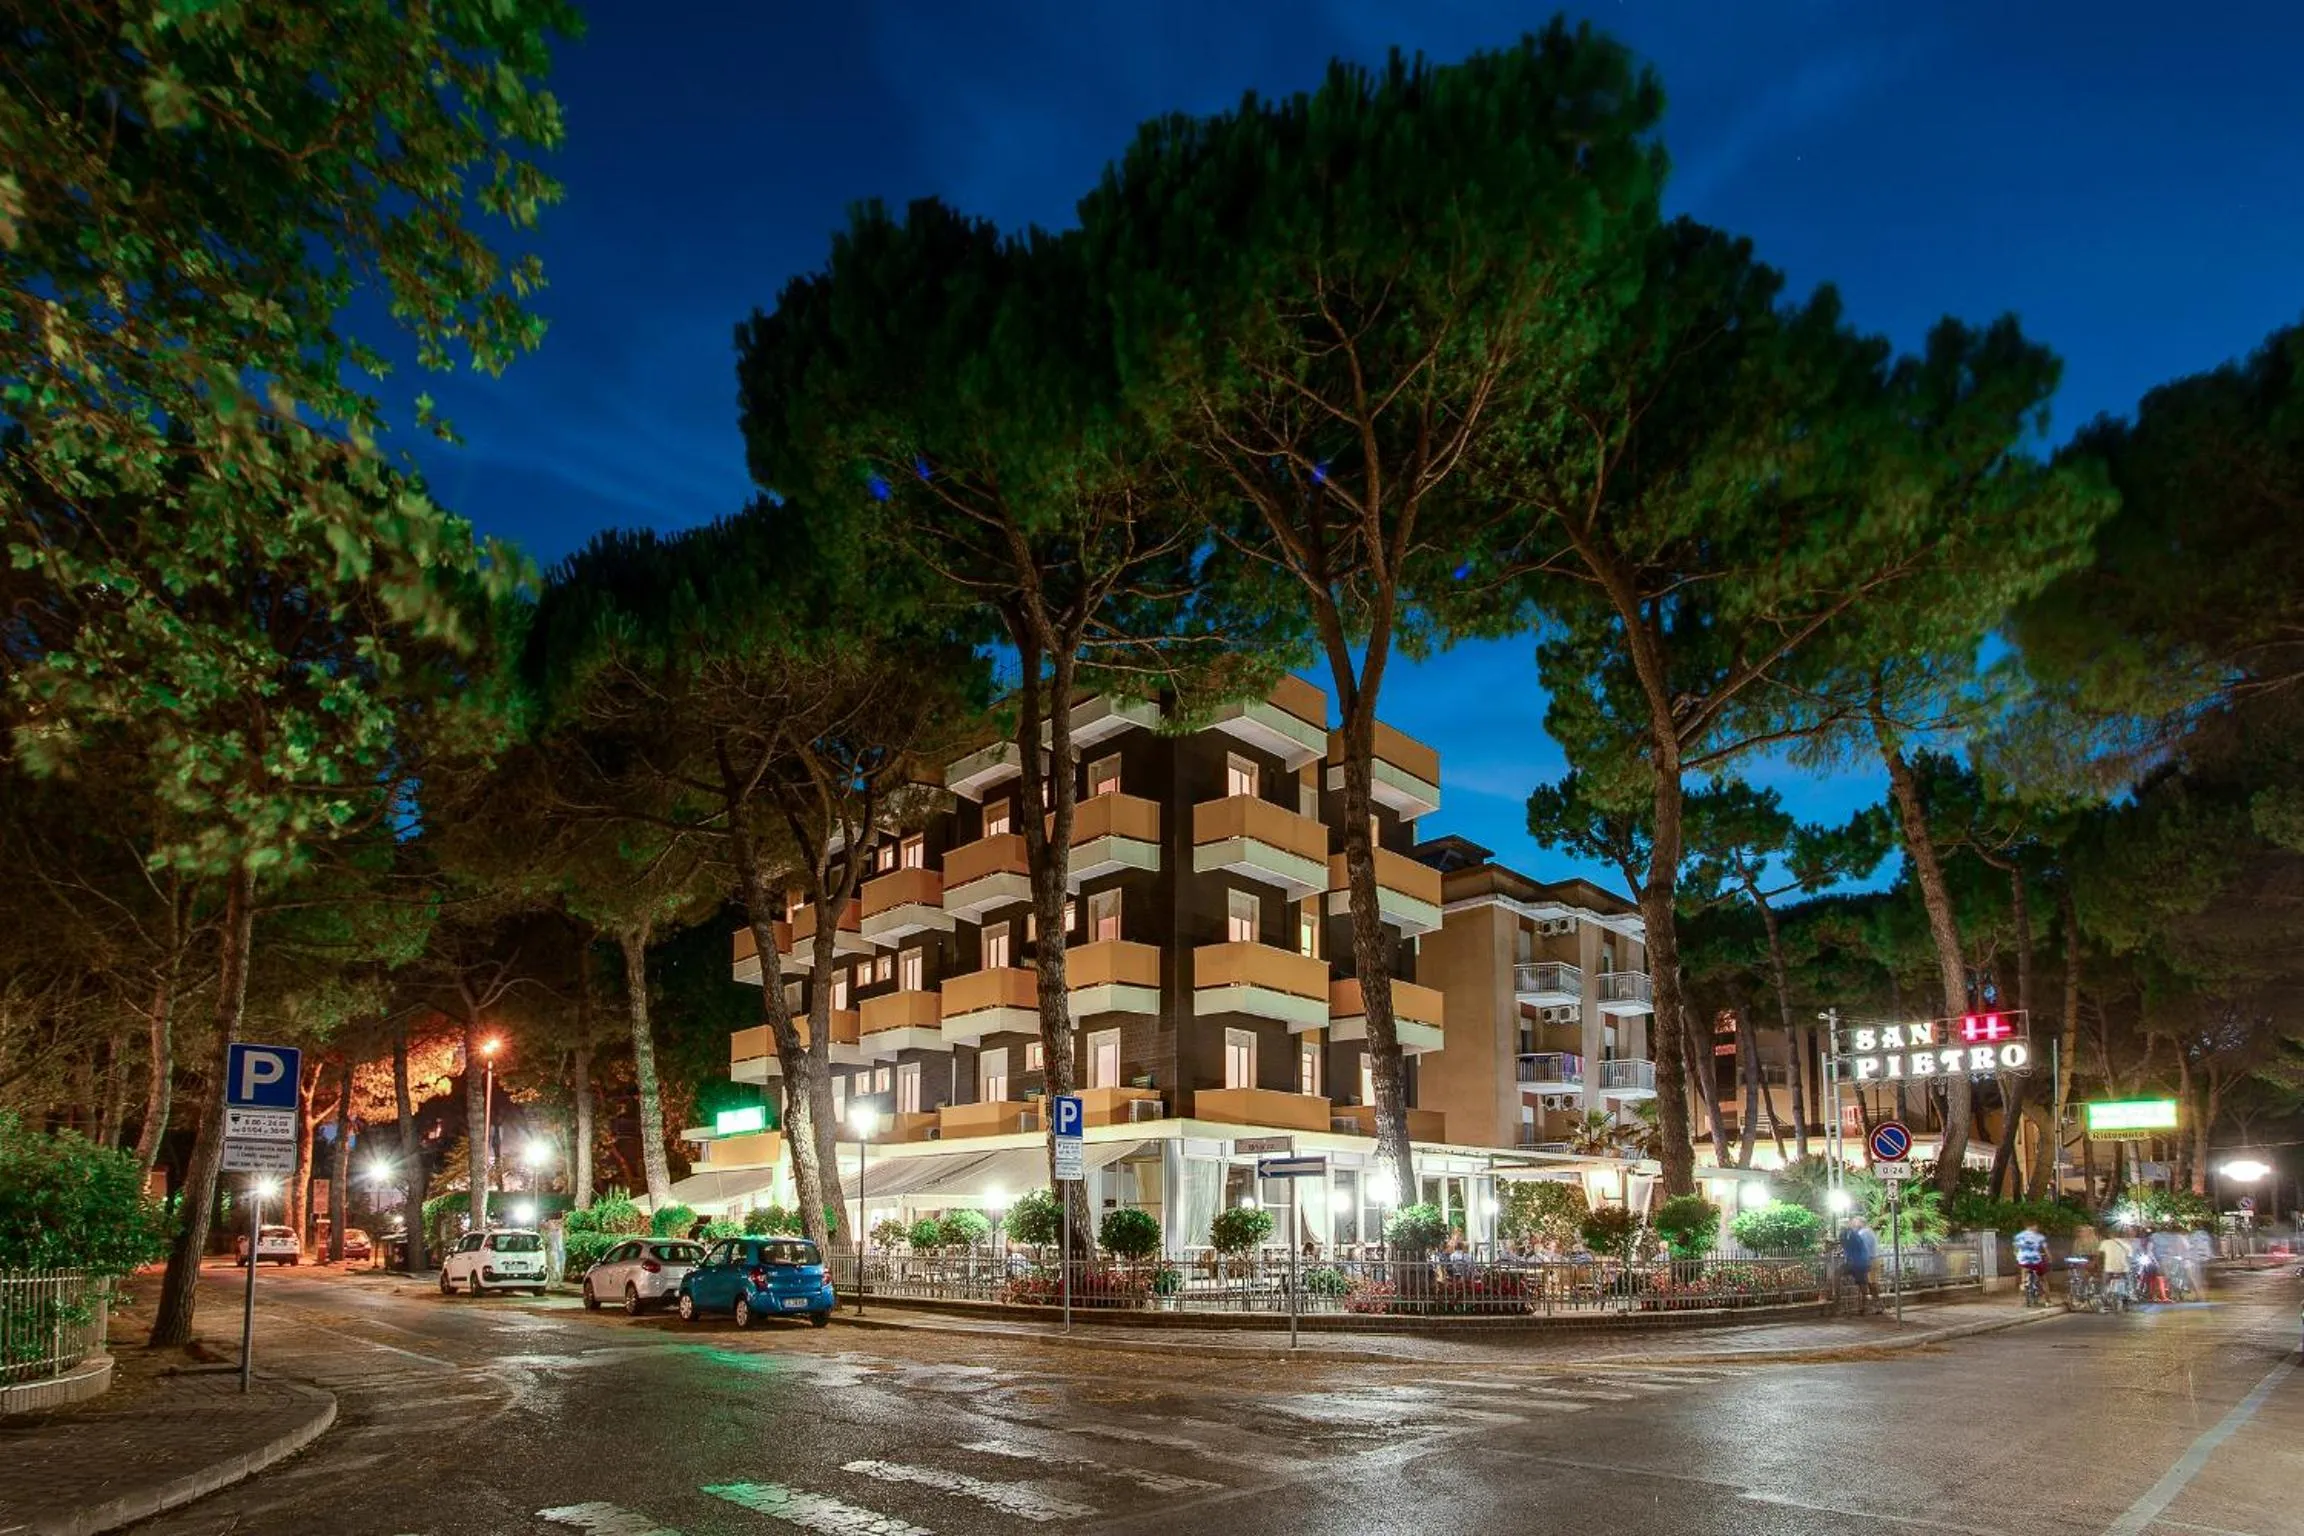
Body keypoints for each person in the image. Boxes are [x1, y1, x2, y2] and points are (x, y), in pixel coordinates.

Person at [1840, 1216, 1878, 1314]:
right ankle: (1875, 1306)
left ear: (1861, 1223)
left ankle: (1868, 1307)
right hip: (1871, 1259)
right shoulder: (1869, 1232)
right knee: (1871, 1285)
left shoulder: (1862, 1233)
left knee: (1868, 1285)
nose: (1853, 1224)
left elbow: (1858, 1246)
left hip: (1867, 1260)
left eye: (1855, 1222)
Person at [2012, 1220, 2050, 1303]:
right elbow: (2045, 1249)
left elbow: (2015, 1249)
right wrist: (2049, 1258)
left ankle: (2023, 1282)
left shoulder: (2018, 1236)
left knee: (2023, 1267)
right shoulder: (2039, 1237)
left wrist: (2017, 1256)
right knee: (2043, 1280)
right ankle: (2048, 1301)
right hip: (2035, 1260)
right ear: (2035, 1226)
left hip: (2023, 1260)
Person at [2097, 1229, 2131, 1306]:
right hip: (2123, 1268)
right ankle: (2126, 1298)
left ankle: (2104, 1298)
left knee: (2104, 1283)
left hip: (2109, 1268)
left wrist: (2099, 1265)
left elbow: (2099, 1255)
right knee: (2127, 1283)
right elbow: (2129, 1257)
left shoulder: (2105, 1242)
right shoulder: (2126, 1244)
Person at [2185, 1225, 2215, 1299]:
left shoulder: (2193, 1236)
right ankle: (2205, 1295)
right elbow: (2209, 1247)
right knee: (2203, 1278)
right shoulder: (2207, 1236)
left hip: (2196, 1258)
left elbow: (2189, 1247)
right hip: (2205, 1258)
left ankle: (2199, 1296)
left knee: (2196, 1278)